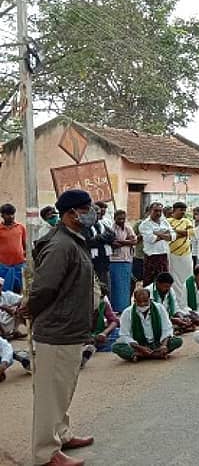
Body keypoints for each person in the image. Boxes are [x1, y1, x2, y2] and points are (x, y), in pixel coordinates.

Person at [26, 189, 97, 466]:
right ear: (71, 214)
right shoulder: (60, 246)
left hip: (70, 328)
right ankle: (46, 453)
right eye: (86, 210)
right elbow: (44, 288)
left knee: (63, 389)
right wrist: (31, 309)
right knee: (50, 396)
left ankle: (61, 434)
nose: (91, 214)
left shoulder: (73, 240)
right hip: (57, 330)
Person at [113, 287, 184, 362]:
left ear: (150, 299)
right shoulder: (127, 312)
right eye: (139, 302)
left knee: (177, 341)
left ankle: (142, 355)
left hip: (157, 344)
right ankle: (156, 354)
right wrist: (140, 347)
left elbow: (167, 329)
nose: (143, 304)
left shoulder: (159, 308)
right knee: (116, 347)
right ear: (135, 301)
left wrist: (163, 345)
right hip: (138, 346)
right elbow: (124, 335)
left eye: (145, 301)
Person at [165, 202, 195, 311]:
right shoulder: (167, 221)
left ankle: (186, 304)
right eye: (180, 210)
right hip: (171, 254)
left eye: (184, 210)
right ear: (174, 210)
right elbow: (167, 234)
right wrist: (180, 232)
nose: (183, 212)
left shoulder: (187, 221)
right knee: (174, 280)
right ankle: (177, 306)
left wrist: (174, 231)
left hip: (186, 255)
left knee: (187, 279)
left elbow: (190, 233)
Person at [139, 202, 175, 286]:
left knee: (164, 282)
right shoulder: (145, 224)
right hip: (151, 257)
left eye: (160, 211)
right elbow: (151, 239)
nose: (158, 213)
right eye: (155, 211)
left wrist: (157, 233)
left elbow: (173, 236)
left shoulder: (164, 222)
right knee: (149, 282)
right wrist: (165, 234)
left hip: (164, 255)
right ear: (150, 211)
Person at [109, 209, 137, 312]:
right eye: (119, 218)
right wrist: (127, 241)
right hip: (115, 260)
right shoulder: (111, 229)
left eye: (123, 219)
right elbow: (113, 243)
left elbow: (134, 241)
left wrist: (122, 242)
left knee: (125, 286)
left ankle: (125, 308)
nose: (121, 221)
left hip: (127, 259)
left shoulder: (128, 228)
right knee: (116, 285)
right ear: (114, 218)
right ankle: (115, 308)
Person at [0, 203, 26, 295]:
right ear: (2, 215)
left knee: (19, 290)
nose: (11, 216)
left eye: (12, 214)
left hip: (19, 265)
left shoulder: (20, 227)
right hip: (4, 266)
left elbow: (25, 245)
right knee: (5, 291)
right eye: (8, 214)